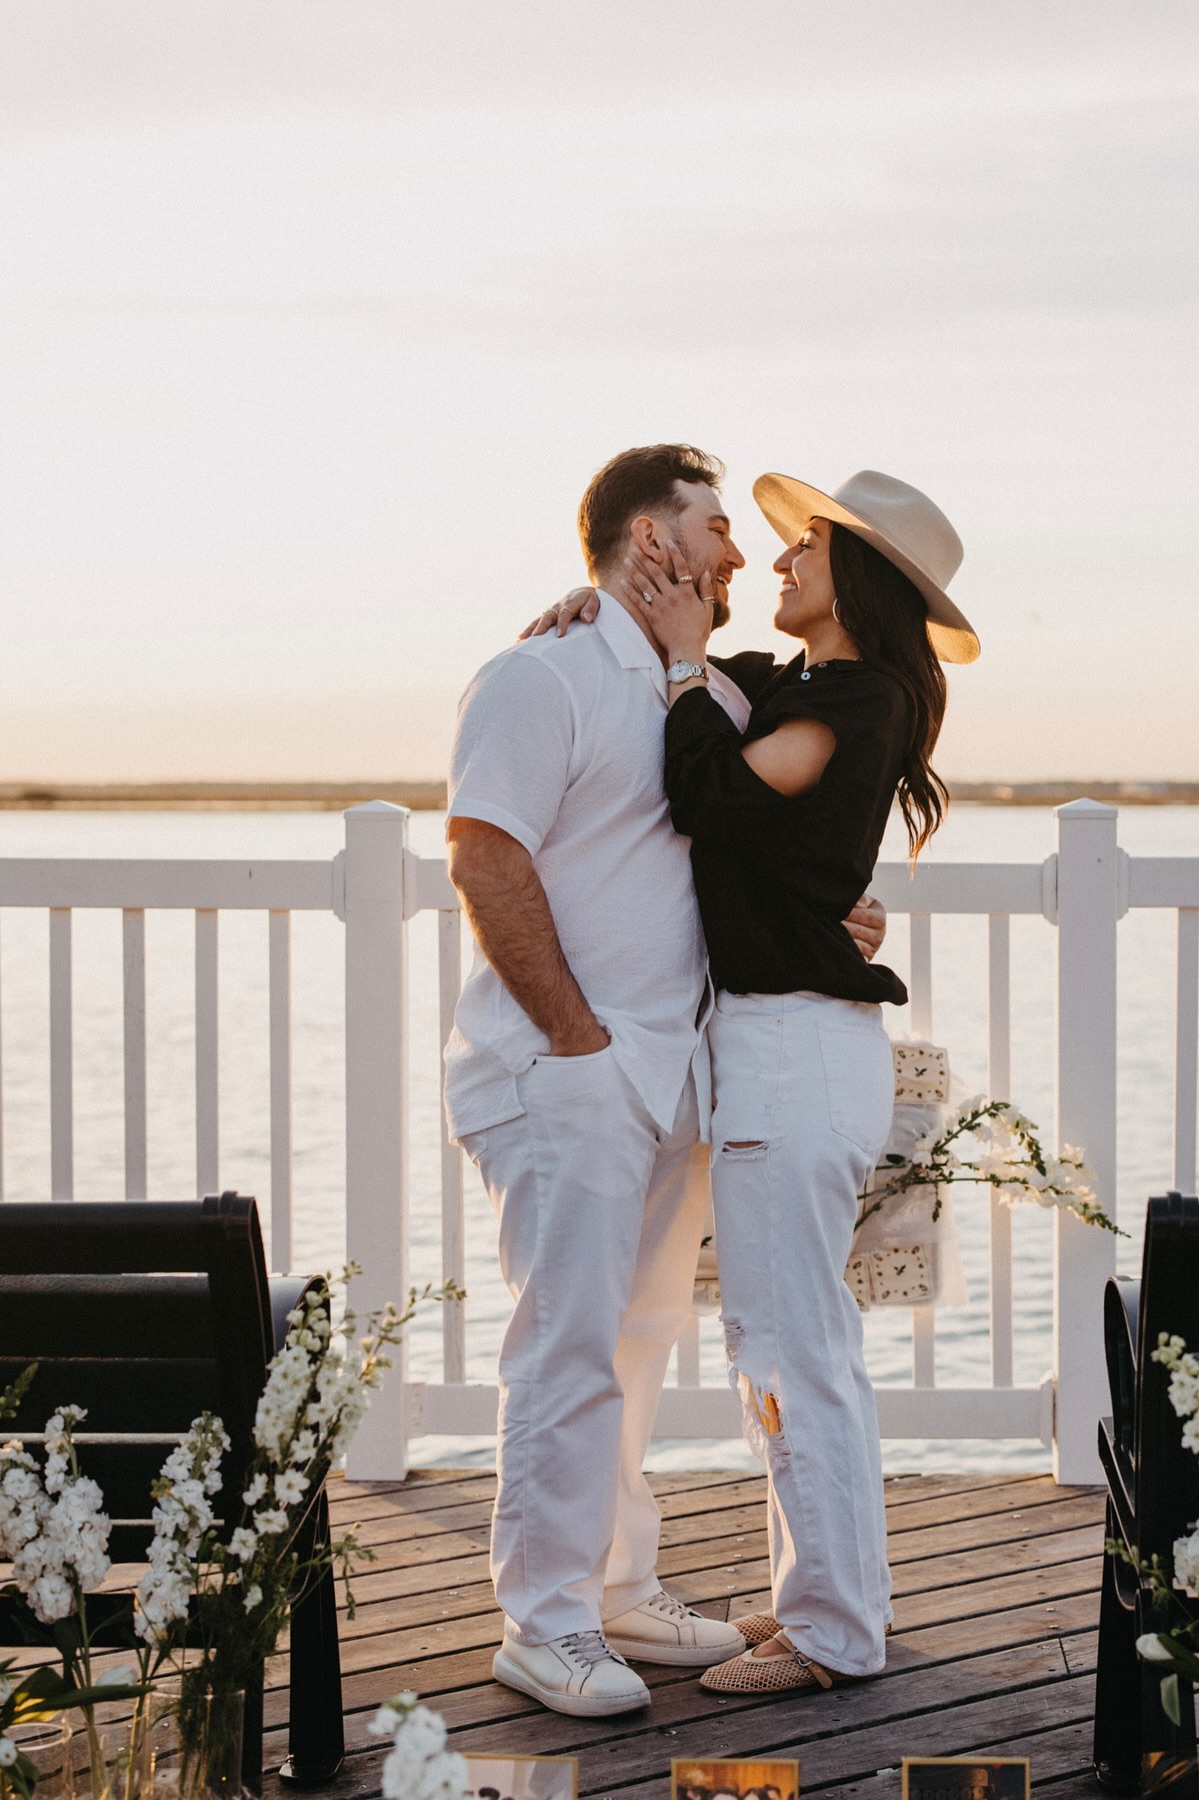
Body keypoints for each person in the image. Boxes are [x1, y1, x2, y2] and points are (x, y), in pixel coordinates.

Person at [443, 444, 885, 1718]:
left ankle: (620, 1586)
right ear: (650, 546)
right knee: (567, 1348)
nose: (741, 551)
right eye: (711, 527)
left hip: (675, 1075)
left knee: (635, 1344)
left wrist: (838, 906)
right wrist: (577, 1041)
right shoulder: (544, 672)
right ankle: (542, 1621)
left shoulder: (714, 693)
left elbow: (764, 827)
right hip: (564, 1066)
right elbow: (484, 860)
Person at [609, 467, 978, 1693]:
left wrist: (670, 669)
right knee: (794, 1344)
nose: (777, 563)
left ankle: (831, 1635)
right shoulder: (804, 686)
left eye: (805, 548)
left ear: (857, 576)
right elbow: (724, 698)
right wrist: (598, 607)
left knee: (787, 1350)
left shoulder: (859, 697)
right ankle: (829, 1605)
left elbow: (709, 790)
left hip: (794, 1051)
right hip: (783, 1045)